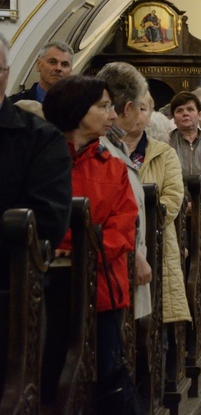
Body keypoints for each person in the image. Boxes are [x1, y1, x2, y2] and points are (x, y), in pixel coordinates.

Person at [43, 75, 139, 408]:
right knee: (50, 374)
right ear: (76, 110)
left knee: (106, 373)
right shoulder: (44, 161)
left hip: (102, 287)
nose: (113, 116)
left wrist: (80, 251)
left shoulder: (112, 167)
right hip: (46, 286)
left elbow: (124, 225)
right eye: (103, 106)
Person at [121, 92, 191, 327]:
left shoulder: (164, 153)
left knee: (156, 315)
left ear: (150, 115)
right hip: (117, 240)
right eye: (133, 108)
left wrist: (139, 220)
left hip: (156, 240)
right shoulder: (108, 149)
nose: (137, 115)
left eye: (144, 109)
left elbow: (172, 198)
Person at [0, 32, 71, 250]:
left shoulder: (42, 138)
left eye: (64, 64)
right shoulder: (20, 102)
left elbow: (47, 222)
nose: (58, 68)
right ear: (38, 65)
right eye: (52, 62)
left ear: (6, 74)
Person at [97, 61, 152, 320]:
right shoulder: (104, 150)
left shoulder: (115, 145)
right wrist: (136, 256)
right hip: (115, 270)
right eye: (140, 107)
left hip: (121, 267)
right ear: (128, 108)